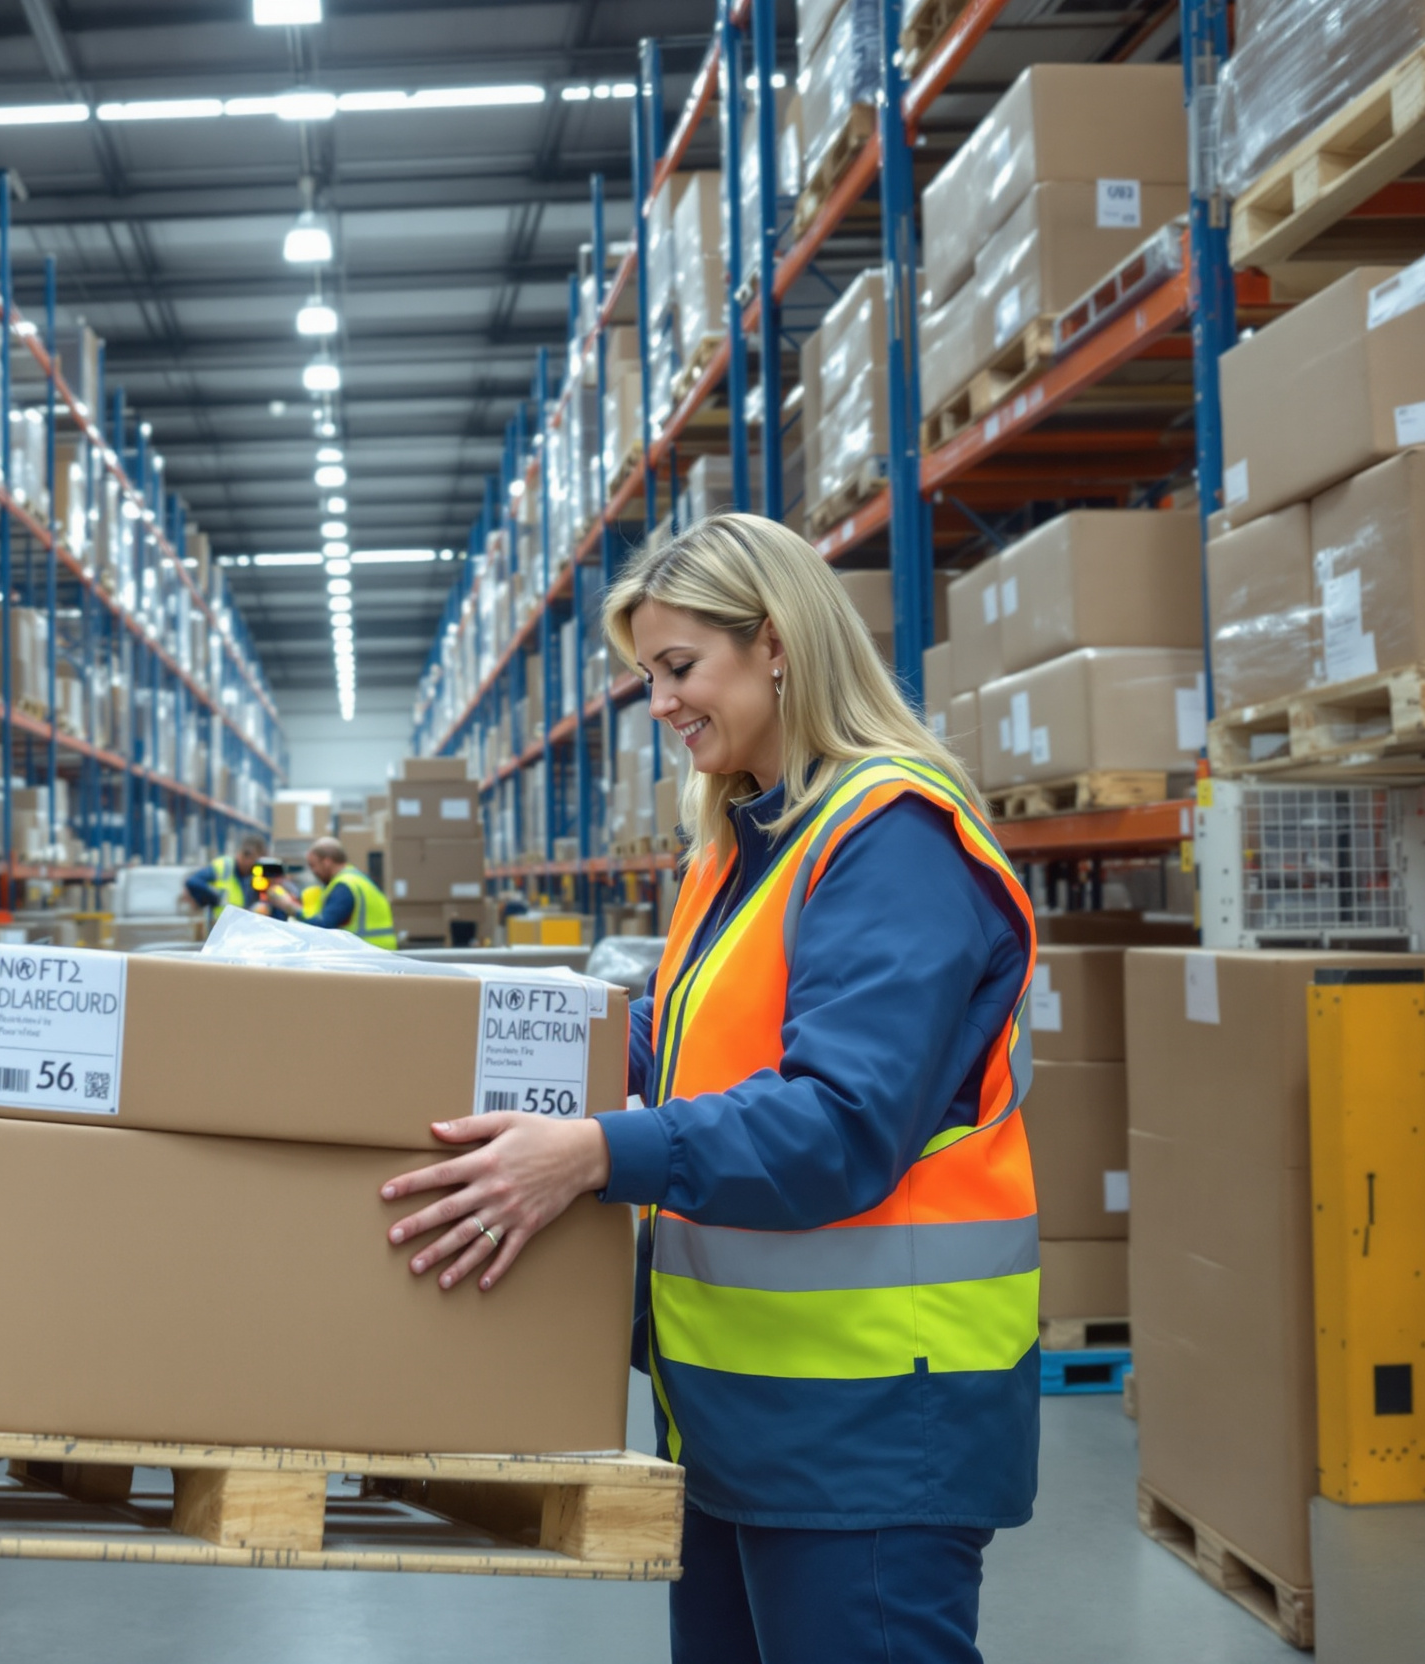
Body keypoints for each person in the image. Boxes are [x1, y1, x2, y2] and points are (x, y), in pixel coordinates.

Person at [379, 513, 1038, 1664]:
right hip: (742, 1418)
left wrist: (594, 1153)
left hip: (873, 1420)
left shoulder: (889, 840)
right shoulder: (744, 840)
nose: (663, 701)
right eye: (648, 676)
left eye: (680, 667)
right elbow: (683, 1038)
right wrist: (471, 1029)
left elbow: (844, 1120)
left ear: (775, 642)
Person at [268, 836, 397, 948]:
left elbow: (323, 927)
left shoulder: (344, 886)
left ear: (327, 862)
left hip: (368, 955)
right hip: (376, 953)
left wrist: (288, 905)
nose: (313, 872)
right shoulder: (357, 879)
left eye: (313, 865)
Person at [186, 835, 267, 921]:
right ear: (245, 855)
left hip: (239, 928)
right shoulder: (224, 866)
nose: (255, 867)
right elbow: (193, 882)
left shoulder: (251, 875)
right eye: (254, 862)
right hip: (219, 927)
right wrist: (215, 897)